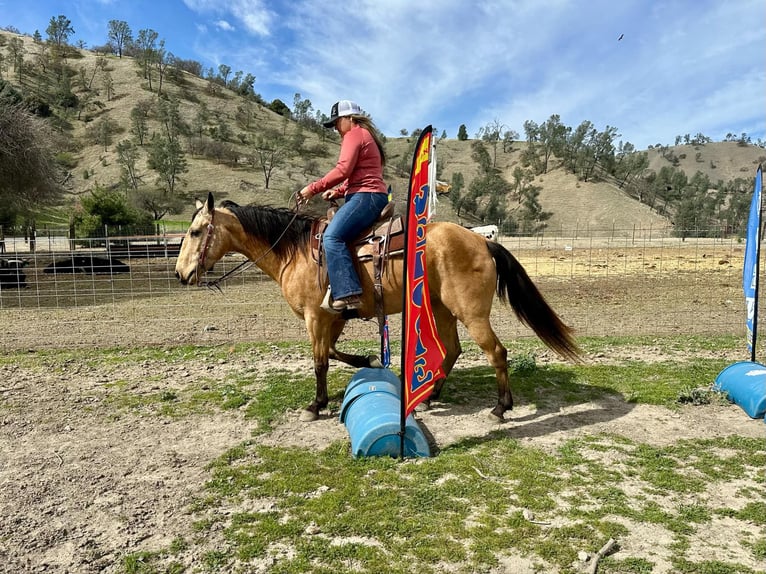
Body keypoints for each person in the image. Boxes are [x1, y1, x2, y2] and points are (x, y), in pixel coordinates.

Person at [298, 100, 389, 313]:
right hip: (368, 193)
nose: (336, 128)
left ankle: (348, 292)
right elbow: (357, 173)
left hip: (366, 196)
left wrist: (313, 188)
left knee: (331, 237)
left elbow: (343, 170)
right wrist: (338, 192)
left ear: (349, 118)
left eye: (337, 122)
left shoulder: (354, 134)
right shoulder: (365, 136)